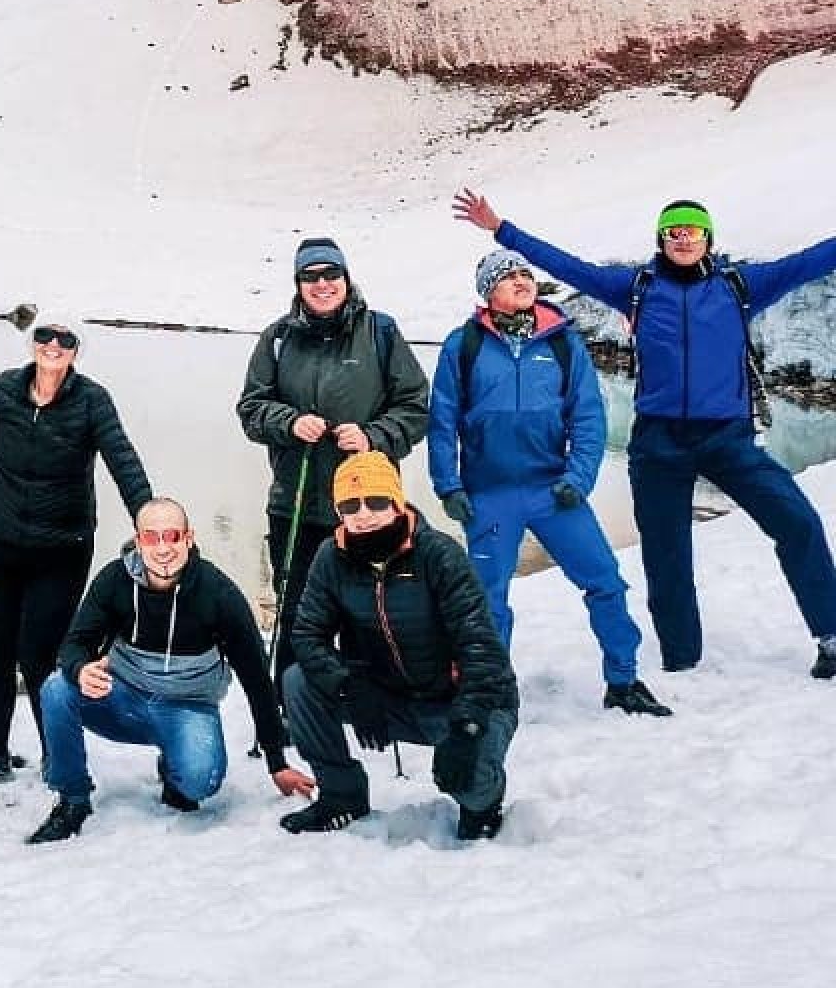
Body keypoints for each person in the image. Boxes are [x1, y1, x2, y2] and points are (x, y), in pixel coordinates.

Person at [456, 188, 836, 679]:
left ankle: (830, 635)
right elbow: (568, 267)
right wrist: (501, 229)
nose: (683, 240)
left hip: (729, 438)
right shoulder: (636, 286)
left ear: (707, 239)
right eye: (674, 232)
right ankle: (682, 659)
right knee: (665, 554)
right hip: (659, 444)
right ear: (662, 239)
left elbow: (810, 261)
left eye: (692, 232)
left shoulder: (740, 285)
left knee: (797, 522)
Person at [429, 249, 669, 717]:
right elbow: (441, 422)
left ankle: (623, 680)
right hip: (490, 495)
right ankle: (491, 689)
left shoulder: (561, 342)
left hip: (553, 491)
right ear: (488, 293)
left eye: (524, 273)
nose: (521, 281)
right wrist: (449, 486)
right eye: (508, 276)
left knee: (605, 583)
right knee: (485, 599)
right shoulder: (464, 345)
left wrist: (577, 479)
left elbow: (588, 417)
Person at [0, 312, 152, 801]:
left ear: (77, 349)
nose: (53, 345)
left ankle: (55, 753)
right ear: (31, 342)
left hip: (62, 547)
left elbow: (122, 459)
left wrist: (149, 519)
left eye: (65, 339)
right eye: (45, 336)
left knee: (40, 655)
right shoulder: (3, 391)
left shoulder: (91, 400)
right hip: (0, 540)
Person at [25, 496, 312, 843]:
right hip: (123, 698)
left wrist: (276, 763)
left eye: (172, 536)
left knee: (200, 782)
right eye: (151, 537)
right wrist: (79, 669)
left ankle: (176, 771)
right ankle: (72, 798)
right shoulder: (116, 580)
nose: (163, 548)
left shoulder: (218, 594)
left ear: (188, 539)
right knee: (56, 689)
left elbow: (256, 679)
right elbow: (75, 642)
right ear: (138, 540)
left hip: (187, 705)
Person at [282, 452, 520, 840]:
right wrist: (348, 685)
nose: (364, 514)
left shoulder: (438, 555)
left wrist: (468, 724)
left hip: (461, 701)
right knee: (298, 682)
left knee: (467, 782)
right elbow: (308, 635)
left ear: (396, 501)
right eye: (350, 505)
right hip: (387, 698)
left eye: (376, 502)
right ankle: (342, 797)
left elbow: (482, 649)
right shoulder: (331, 558)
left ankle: (484, 803)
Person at [236, 237, 431, 696]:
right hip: (296, 501)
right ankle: (290, 700)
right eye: (311, 277)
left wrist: (372, 436)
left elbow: (416, 407)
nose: (322, 285)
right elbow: (251, 408)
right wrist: (288, 422)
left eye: (331, 275)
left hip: (370, 505)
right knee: (299, 608)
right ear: (299, 284)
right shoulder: (278, 339)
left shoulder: (381, 333)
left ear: (346, 278)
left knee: (371, 603)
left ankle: (371, 697)